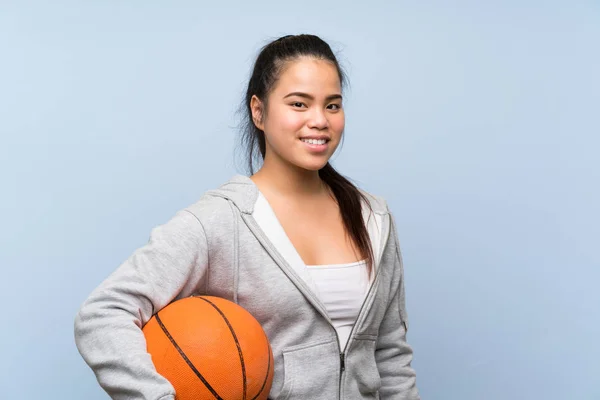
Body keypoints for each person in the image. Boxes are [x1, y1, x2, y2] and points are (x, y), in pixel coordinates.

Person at [74, 33, 420, 400]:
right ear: (259, 111)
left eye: (332, 105)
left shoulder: (374, 218)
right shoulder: (222, 220)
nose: (319, 120)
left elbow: (390, 356)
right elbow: (102, 313)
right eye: (299, 104)